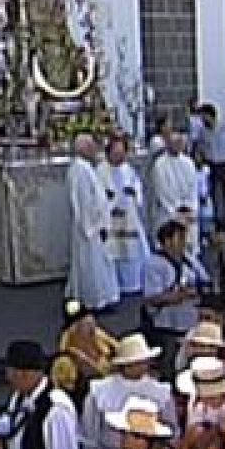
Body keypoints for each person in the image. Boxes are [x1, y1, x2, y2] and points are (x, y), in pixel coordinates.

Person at [80, 335, 174, 449]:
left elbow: (171, 428)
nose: (141, 366)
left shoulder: (160, 391)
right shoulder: (100, 391)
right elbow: (90, 434)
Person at [140, 220, 208, 379]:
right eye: (180, 238)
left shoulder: (189, 260)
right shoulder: (153, 264)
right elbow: (151, 298)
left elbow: (204, 281)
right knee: (169, 366)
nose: (184, 242)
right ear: (167, 241)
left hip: (191, 323)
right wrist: (179, 296)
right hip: (166, 326)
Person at [66, 134, 120, 313]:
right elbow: (84, 202)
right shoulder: (80, 170)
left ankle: (101, 297)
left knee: (98, 263)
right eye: (91, 146)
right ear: (83, 149)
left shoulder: (85, 168)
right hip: (90, 227)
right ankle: (94, 300)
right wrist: (95, 224)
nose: (95, 149)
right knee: (92, 265)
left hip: (94, 224)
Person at [99, 136, 149, 296]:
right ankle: (117, 285)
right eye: (116, 153)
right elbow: (99, 194)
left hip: (129, 216)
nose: (120, 157)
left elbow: (137, 186)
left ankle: (133, 283)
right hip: (111, 218)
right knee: (115, 249)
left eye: (122, 153)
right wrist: (109, 198)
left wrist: (133, 193)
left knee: (132, 248)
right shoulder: (101, 170)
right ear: (108, 153)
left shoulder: (128, 169)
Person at [49, 299, 118, 408]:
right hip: (83, 399)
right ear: (74, 328)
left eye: (91, 322)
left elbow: (118, 349)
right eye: (86, 324)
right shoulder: (65, 359)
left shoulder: (98, 336)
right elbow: (66, 390)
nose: (92, 326)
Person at [193, 104, 225, 230]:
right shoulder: (203, 131)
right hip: (211, 164)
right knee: (212, 195)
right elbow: (199, 144)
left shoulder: (224, 127)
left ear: (210, 116)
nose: (202, 119)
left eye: (204, 116)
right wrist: (200, 156)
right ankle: (216, 222)